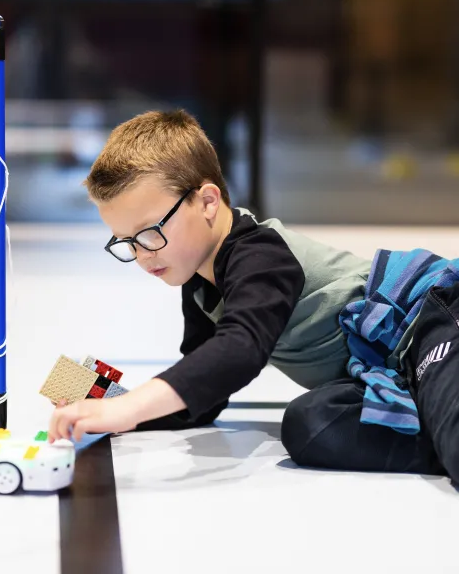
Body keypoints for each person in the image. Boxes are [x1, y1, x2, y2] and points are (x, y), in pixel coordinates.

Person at [48, 109, 459, 483]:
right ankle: (435, 427)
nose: (141, 255)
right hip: (391, 369)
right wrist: (104, 402)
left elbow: (240, 349)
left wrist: (129, 407)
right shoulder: (202, 286)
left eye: (150, 233)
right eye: (126, 243)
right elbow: (203, 395)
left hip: (432, 319)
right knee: (308, 424)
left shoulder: (260, 254)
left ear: (207, 202)